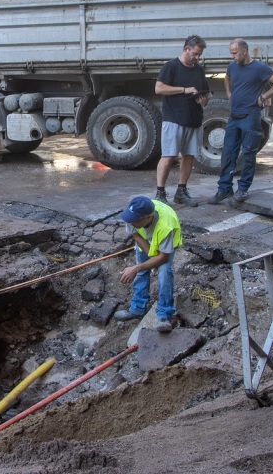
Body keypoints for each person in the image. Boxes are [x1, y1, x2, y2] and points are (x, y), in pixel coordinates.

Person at [208, 38, 273, 205]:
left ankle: (242, 189)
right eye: (231, 53)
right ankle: (224, 189)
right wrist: (229, 93)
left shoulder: (259, 68)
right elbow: (227, 78)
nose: (233, 57)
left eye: (235, 53)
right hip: (234, 117)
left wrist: (264, 96)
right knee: (228, 153)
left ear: (244, 51)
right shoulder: (232, 66)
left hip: (250, 117)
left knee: (248, 154)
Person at [153, 34, 210, 205]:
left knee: (189, 156)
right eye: (195, 54)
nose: (197, 58)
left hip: (193, 119)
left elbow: (205, 93)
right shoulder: (171, 66)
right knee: (169, 156)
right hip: (174, 119)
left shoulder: (199, 70)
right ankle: (160, 193)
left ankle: (181, 191)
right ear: (186, 49)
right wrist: (184, 90)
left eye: (199, 55)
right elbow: (159, 88)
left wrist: (203, 99)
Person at [113, 196, 183, 333]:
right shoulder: (132, 217)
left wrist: (137, 268)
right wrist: (149, 260)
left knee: (164, 273)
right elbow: (137, 236)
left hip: (166, 247)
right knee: (141, 268)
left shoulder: (166, 226)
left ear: (148, 217)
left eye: (135, 220)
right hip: (146, 241)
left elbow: (163, 256)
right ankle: (138, 308)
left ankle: (164, 316)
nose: (131, 223)